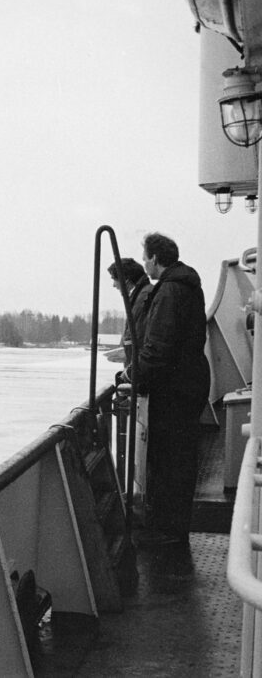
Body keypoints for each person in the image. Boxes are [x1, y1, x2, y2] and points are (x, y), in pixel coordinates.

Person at [126, 233, 210, 547]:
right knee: (180, 457)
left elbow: (158, 347)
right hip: (188, 383)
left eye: (146, 257)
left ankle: (168, 532)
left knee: (168, 459)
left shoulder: (171, 291)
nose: (144, 262)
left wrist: (132, 374)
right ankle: (172, 527)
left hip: (175, 388)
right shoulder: (186, 285)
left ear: (156, 258)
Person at [108, 257, 153, 373]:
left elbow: (141, 340)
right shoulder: (141, 296)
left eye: (114, 279)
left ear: (125, 280)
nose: (113, 285)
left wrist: (128, 356)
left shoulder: (143, 299)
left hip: (140, 374)